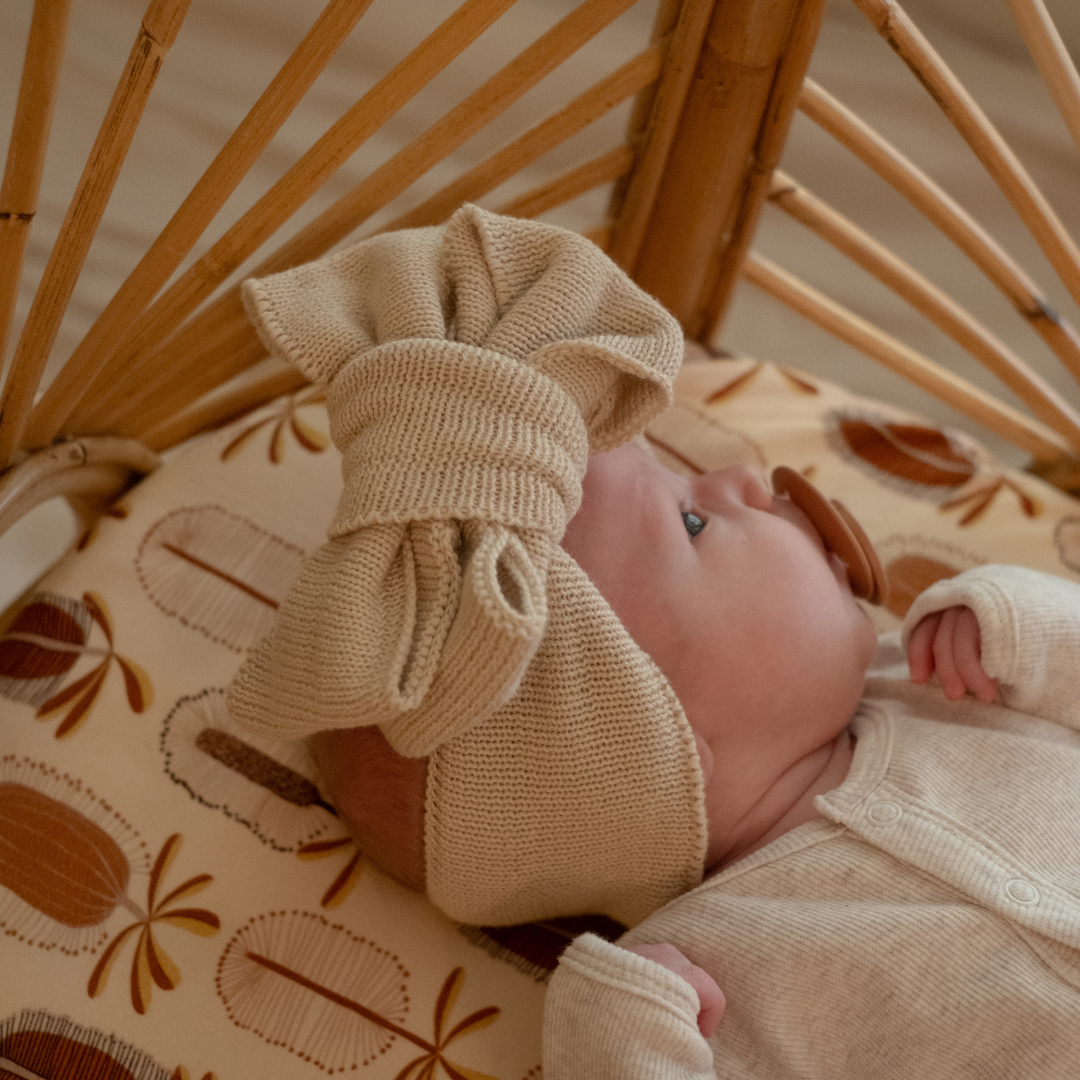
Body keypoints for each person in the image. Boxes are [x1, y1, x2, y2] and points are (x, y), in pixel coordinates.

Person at [226, 205, 1080, 1077]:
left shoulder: (953, 678)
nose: (745, 475)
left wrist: (1020, 618)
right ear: (662, 746)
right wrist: (625, 1035)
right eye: (695, 520)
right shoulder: (712, 973)